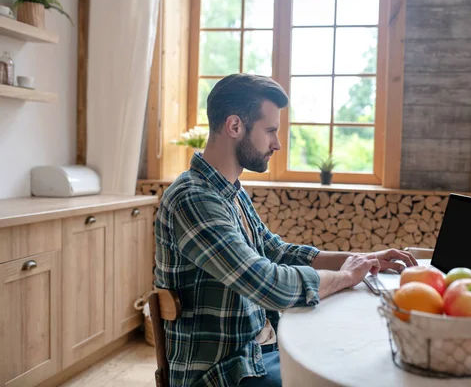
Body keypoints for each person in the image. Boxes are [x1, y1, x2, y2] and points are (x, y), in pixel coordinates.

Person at [154, 73, 418, 387]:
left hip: (257, 348)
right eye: (270, 131)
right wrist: (346, 276)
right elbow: (269, 284)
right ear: (235, 126)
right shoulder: (194, 199)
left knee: (350, 358)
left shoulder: (229, 191)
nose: (277, 144)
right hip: (224, 371)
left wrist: (362, 258)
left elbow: (276, 251)